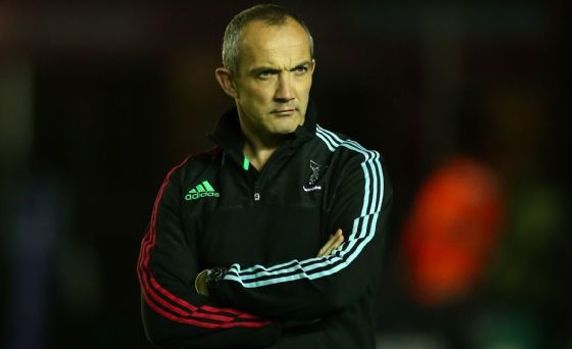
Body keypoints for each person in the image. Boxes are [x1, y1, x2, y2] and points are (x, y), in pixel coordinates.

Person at [137, 4, 393, 348]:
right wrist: (295, 313)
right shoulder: (186, 184)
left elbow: (337, 283)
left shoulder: (353, 167)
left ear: (313, 70)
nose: (287, 92)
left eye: (299, 70)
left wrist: (215, 282)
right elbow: (164, 316)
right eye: (266, 74)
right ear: (229, 82)